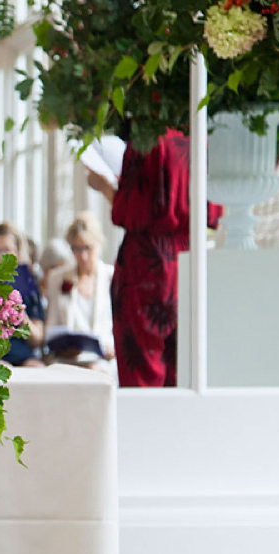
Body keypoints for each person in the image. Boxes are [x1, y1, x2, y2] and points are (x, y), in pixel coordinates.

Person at [88, 130, 222, 386]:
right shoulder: (203, 134)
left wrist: (105, 186)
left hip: (147, 262)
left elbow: (130, 210)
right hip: (191, 256)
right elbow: (213, 211)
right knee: (186, 368)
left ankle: (146, 425)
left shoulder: (149, 137)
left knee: (143, 368)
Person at [44, 212, 115, 371]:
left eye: (88, 248)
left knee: (94, 370)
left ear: (99, 244)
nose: (82, 256)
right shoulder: (58, 278)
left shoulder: (112, 278)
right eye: (76, 248)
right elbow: (51, 325)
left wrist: (112, 348)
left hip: (103, 359)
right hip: (67, 359)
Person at [0, 222, 44, 367]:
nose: (0, 257)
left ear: (17, 253)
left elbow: (38, 339)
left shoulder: (28, 285)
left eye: (6, 250)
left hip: (24, 356)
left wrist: (20, 316)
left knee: (38, 369)